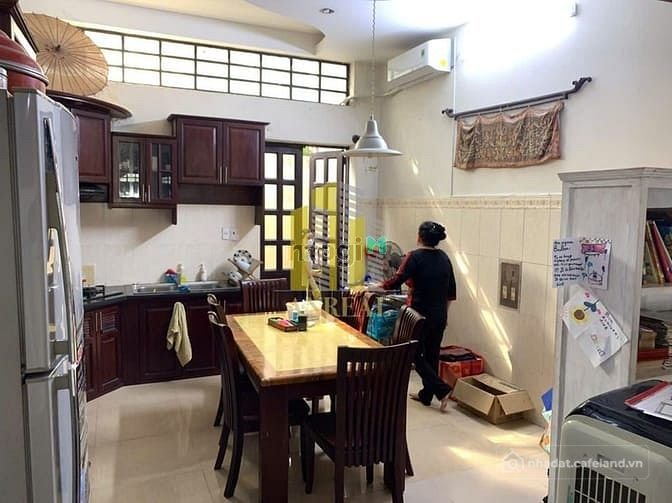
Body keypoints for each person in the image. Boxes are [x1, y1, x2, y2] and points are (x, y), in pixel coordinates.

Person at [378, 221, 457, 411]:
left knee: (412, 352)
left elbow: (396, 280)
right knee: (432, 354)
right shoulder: (444, 258)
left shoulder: (414, 257)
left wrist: (374, 287)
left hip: (419, 317)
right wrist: (445, 315)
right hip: (440, 315)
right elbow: (451, 292)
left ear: (419, 237)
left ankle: (441, 389)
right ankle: (426, 395)